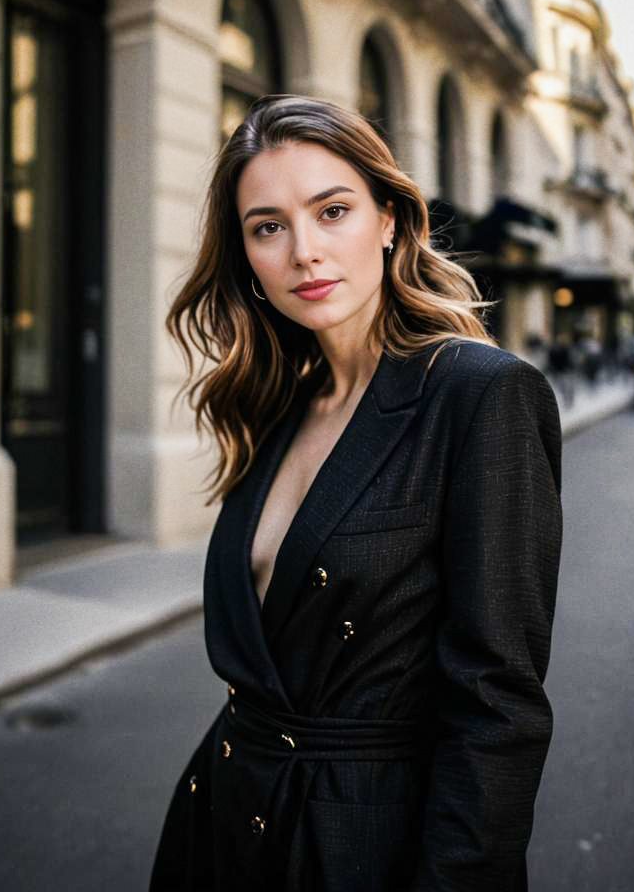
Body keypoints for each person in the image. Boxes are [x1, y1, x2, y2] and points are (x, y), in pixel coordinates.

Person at [149, 94, 563, 892]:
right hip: (221, 828)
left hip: (360, 850)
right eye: (268, 226)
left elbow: (498, 707)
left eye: (331, 210)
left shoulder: (479, 395)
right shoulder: (276, 405)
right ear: (246, 256)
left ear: (389, 220)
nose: (304, 250)